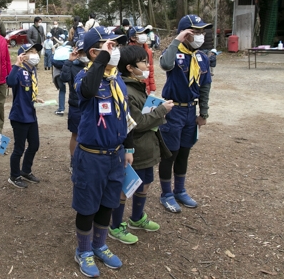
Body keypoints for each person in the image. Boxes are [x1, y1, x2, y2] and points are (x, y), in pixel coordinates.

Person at [72, 26, 133, 278]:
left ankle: (99, 244)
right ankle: (83, 250)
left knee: (108, 204)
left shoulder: (116, 78)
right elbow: (87, 90)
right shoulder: (83, 77)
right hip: (92, 156)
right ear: (93, 52)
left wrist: (128, 146)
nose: (114, 50)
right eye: (109, 46)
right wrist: (102, 60)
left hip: (115, 155)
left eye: (115, 46)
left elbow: (124, 114)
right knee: (87, 207)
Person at [108, 46, 173, 245]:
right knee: (126, 186)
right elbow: (137, 123)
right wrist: (161, 110)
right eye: (143, 62)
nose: (148, 65)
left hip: (147, 148)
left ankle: (137, 218)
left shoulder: (137, 85)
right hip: (134, 150)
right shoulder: (126, 90)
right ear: (129, 67)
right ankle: (115, 226)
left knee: (144, 183)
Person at [158, 14, 212, 213]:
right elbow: (165, 64)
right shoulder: (174, 52)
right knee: (169, 153)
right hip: (174, 110)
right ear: (185, 33)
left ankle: (180, 190)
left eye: (201, 31)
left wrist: (203, 113)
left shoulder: (202, 57)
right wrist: (177, 40)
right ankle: (166, 194)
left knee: (184, 152)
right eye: (195, 32)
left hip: (191, 110)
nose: (200, 35)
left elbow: (205, 86)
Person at [6, 43, 43, 189]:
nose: (35, 54)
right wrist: (16, 64)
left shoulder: (32, 71)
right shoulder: (20, 70)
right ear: (23, 55)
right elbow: (10, 82)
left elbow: (27, 90)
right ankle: (14, 176)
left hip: (31, 115)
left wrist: (34, 98)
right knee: (19, 148)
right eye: (31, 52)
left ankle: (26, 170)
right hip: (20, 116)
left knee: (34, 144)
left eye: (36, 51)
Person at [59, 40, 87, 172]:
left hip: (90, 105)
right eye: (80, 52)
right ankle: (73, 161)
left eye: (85, 51)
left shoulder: (94, 66)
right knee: (75, 134)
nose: (83, 54)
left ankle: (86, 160)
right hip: (76, 105)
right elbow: (64, 78)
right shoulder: (72, 65)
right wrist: (69, 61)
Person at [127, 26, 156, 94]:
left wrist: (152, 88)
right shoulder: (128, 52)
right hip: (133, 88)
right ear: (133, 37)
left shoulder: (148, 51)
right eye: (140, 33)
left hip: (146, 88)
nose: (144, 35)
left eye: (144, 33)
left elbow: (151, 70)